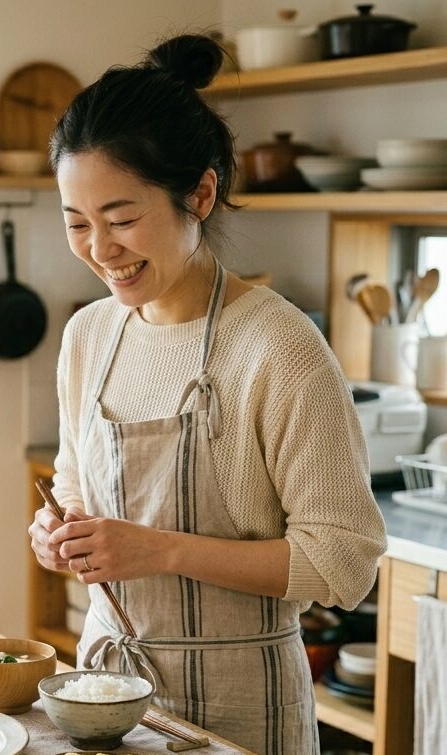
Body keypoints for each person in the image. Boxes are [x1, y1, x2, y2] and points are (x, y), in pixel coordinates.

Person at [27, 33, 387, 755]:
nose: (100, 249)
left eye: (122, 218)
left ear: (199, 192)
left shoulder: (277, 346)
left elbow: (342, 560)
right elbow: (73, 489)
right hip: (102, 701)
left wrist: (158, 550)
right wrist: (58, 537)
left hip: (239, 704)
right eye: (76, 223)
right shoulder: (88, 335)